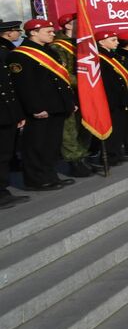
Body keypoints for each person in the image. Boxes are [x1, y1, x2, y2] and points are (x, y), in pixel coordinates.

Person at [7, 19, 76, 191]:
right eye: (49, 31)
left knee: (52, 144)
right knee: (36, 145)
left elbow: (61, 81)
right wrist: (35, 108)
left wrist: (69, 102)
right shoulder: (20, 55)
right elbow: (25, 86)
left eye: (52, 31)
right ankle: (35, 179)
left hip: (56, 106)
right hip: (40, 109)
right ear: (33, 32)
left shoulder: (49, 51)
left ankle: (50, 176)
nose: (53, 34)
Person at [46, 12, 93, 177]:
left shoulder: (83, 43)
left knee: (86, 124)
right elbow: (62, 72)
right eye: (77, 22)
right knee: (70, 128)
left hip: (87, 92)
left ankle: (83, 156)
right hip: (69, 92)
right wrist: (84, 83)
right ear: (67, 25)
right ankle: (74, 161)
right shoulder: (57, 46)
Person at [89, 31, 128, 165]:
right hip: (109, 100)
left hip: (119, 99)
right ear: (101, 42)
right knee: (110, 129)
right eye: (113, 40)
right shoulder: (98, 58)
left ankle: (117, 153)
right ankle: (109, 155)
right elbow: (105, 82)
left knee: (119, 128)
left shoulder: (113, 56)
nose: (117, 42)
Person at [0, 21, 30, 209]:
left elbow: (9, 88)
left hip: (7, 112)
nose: (18, 33)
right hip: (3, 112)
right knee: (2, 154)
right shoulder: (5, 52)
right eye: (16, 30)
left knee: (5, 152)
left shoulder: (5, 52)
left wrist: (17, 113)